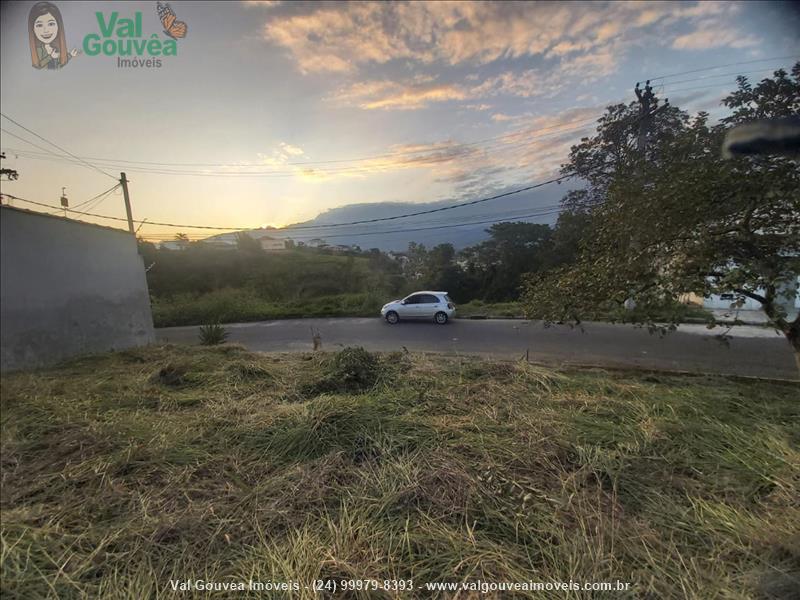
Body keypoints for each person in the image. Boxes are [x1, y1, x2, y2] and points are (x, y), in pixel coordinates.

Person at [28, 2, 79, 70]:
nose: (46, 30)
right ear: (33, 29)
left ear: (58, 26)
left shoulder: (57, 47)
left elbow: (59, 66)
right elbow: (38, 66)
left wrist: (70, 55)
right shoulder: (39, 50)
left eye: (51, 24)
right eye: (40, 25)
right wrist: (50, 56)